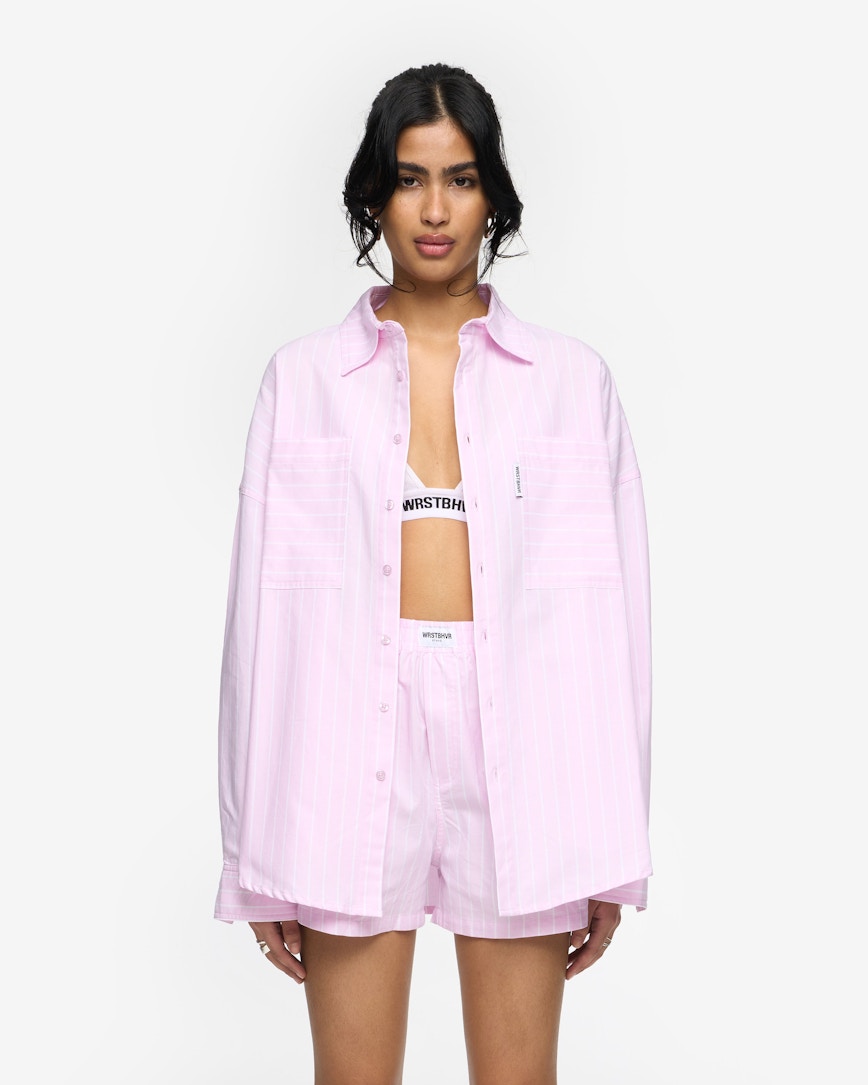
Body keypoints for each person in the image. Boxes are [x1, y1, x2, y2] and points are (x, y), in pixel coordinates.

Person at [214, 62, 653, 1085]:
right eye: (410, 178)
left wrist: (612, 839)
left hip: (527, 749)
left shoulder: (572, 382)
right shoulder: (302, 381)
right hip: (342, 745)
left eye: (460, 178)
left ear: (492, 192)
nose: (436, 208)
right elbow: (254, 627)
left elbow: (619, 618)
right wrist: (249, 852)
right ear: (375, 193)